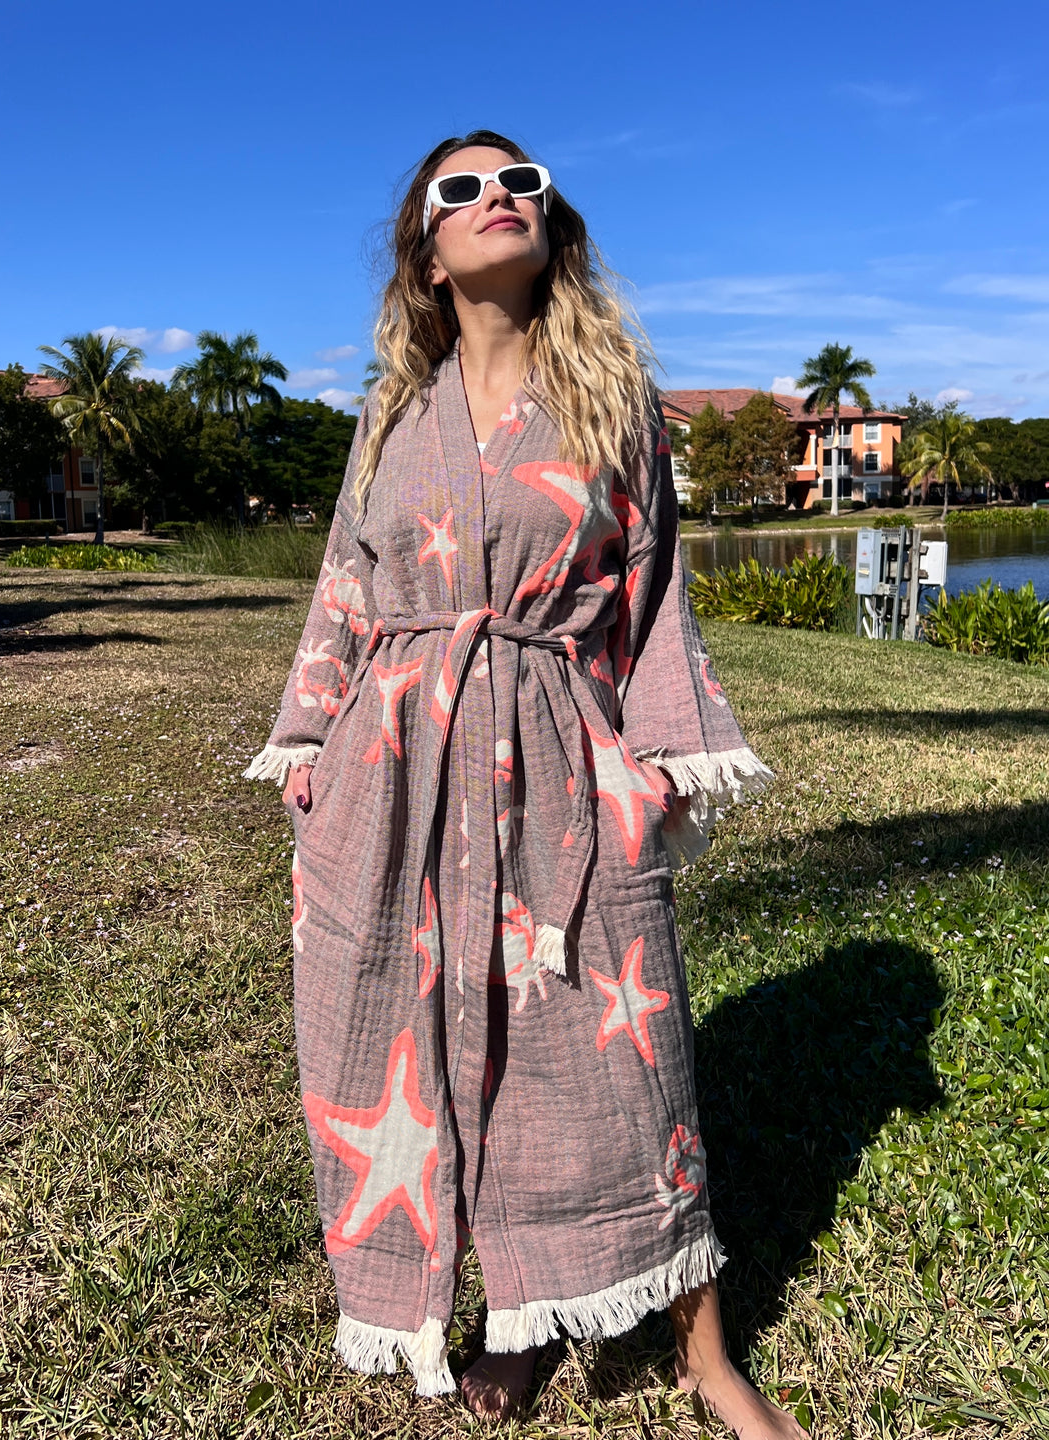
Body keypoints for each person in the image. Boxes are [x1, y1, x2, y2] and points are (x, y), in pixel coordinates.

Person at [245, 130, 803, 1437]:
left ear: (550, 225)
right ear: (426, 255)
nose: (499, 197)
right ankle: (523, 1324)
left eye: (523, 182)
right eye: (463, 189)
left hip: (558, 758)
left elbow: (654, 603)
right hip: (392, 778)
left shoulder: (612, 402)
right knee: (433, 1057)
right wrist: (310, 751)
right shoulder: (391, 420)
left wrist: (652, 770)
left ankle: (708, 1352)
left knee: (629, 1064)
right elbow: (343, 588)